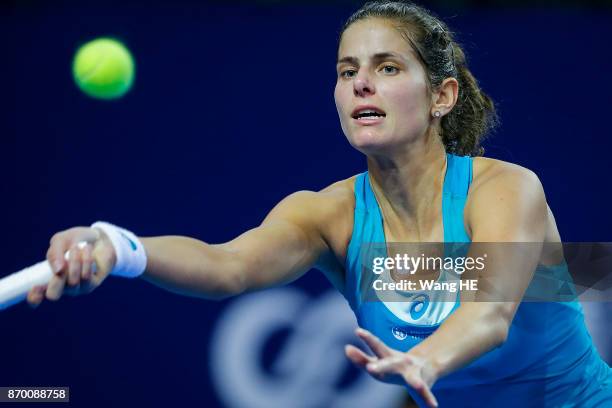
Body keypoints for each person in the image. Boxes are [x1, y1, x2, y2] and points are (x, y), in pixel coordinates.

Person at [26, 1, 611, 407]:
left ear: (441, 95)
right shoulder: (327, 215)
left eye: (387, 68)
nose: (361, 84)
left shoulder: (505, 188)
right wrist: (118, 246)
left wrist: (424, 363)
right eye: (346, 71)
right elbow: (226, 265)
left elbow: (489, 314)